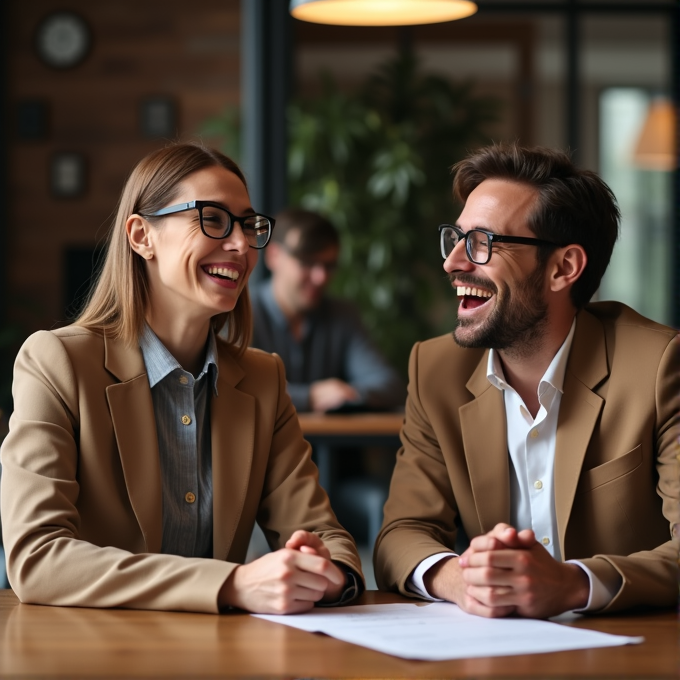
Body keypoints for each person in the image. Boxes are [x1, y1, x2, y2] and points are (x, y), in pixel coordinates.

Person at [0, 143, 363, 614]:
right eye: (213, 219)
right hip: (91, 652)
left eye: (248, 225)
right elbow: (37, 557)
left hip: (219, 655)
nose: (239, 245)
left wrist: (326, 569)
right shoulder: (57, 362)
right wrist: (230, 584)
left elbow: (324, 533)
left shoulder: (262, 378)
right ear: (141, 236)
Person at [374, 143, 679, 618]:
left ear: (563, 268)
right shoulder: (435, 371)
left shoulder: (659, 366)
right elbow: (401, 533)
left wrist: (573, 583)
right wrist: (461, 580)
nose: (453, 262)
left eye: (482, 243)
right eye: (456, 238)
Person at [250, 208, 405, 413]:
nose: (320, 277)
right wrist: (311, 396)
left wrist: (347, 395)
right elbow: (235, 390)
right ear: (274, 256)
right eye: (307, 262)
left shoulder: (342, 315)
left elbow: (390, 385)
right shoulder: (241, 312)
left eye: (329, 265)